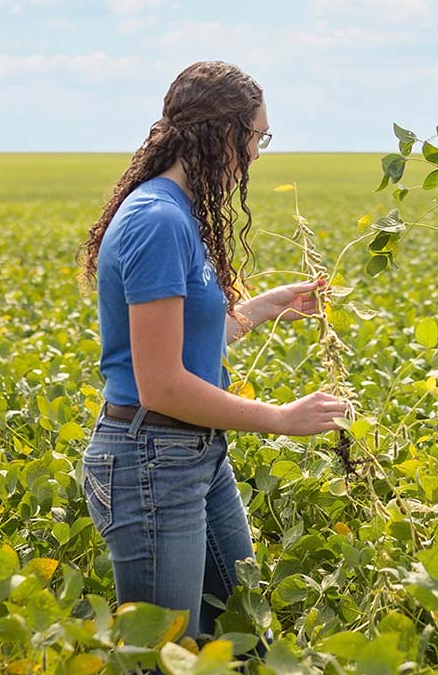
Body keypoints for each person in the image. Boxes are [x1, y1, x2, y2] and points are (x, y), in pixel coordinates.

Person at [76, 61, 349, 642]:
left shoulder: (181, 212)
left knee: (242, 639)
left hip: (194, 453)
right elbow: (163, 385)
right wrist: (280, 420)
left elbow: (187, 340)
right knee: (164, 661)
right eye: (257, 137)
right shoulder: (157, 220)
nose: (256, 154)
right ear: (224, 134)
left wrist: (263, 308)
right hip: (150, 458)